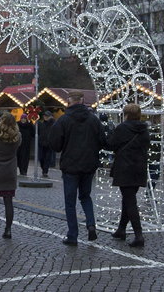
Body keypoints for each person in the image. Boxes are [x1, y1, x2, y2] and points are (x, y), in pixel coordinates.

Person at [49, 90, 104, 245]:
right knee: (86, 197)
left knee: (70, 201)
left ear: (69, 100)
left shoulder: (63, 120)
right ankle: (91, 224)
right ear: (82, 100)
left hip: (70, 166)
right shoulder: (94, 120)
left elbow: (55, 144)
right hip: (89, 165)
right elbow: (102, 140)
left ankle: (72, 235)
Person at [106, 104, 151, 247]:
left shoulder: (122, 128)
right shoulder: (144, 130)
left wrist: (110, 133)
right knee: (128, 199)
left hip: (125, 168)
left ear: (126, 114)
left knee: (130, 201)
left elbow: (111, 144)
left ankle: (139, 235)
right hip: (139, 168)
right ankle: (121, 230)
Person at [36, 111, 55, 178]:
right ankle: (43, 169)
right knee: (41, 158)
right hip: (41, 143)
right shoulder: (42, 124)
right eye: (44, 116)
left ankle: (45, 171)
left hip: (49, 144)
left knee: (47, 158)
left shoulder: (53, 124)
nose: (45, 117)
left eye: (47, 116)